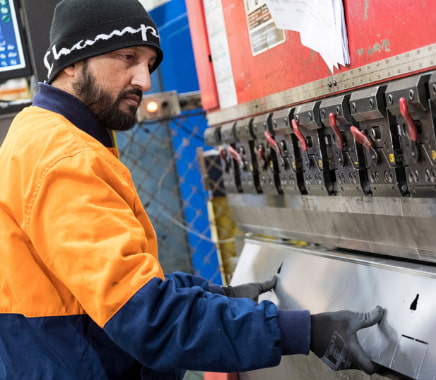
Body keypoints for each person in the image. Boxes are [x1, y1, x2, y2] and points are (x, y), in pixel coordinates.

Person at [0, 0, 385, 379]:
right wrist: (304, 332)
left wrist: (216, 297)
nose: (144, 81)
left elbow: (92, 293)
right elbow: (144, 318)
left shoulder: (37, 131)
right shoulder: (66, 158)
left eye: (149, 65)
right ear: (72, 62)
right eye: (127, 58)